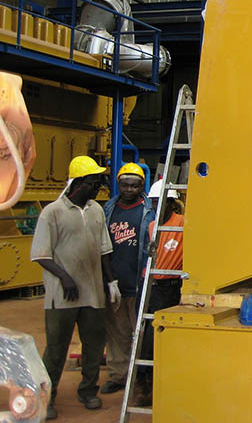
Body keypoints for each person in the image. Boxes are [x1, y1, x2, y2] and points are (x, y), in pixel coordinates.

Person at [30, 155, 121, 420]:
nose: (98, 187)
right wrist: (65, 277)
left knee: (94, 345)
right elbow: (41, 254)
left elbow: (104, 250)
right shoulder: (52, 213)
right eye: (94, 182)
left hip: (93, 293)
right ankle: (47, 398)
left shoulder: (96, 211)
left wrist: (111, 282)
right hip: (62, 296)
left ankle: (88, 390)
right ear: (79, 183)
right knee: (56, 349)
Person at [99, 163, 155, 395]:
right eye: (125, 185)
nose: (129, 189)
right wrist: (108, 280)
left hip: (138, 283)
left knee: (141, 333)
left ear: (142, 186)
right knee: (117, 333)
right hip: (115, 283)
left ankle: (141, 379)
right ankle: (118, 375)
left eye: (134, 185)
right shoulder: (108, 210)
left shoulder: (148, 211)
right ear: (118, 185)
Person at [134, 177, 185, 407]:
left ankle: (159, 385)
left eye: (161, 201)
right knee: (145, 337)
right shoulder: (152, 226)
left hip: (169, 288)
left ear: (171, 203)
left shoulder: (183, 223)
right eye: (154, 202)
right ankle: (144, 384)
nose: (157, 206)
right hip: (150, 285)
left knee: (162, 337)